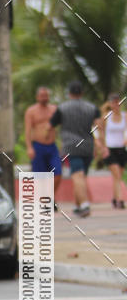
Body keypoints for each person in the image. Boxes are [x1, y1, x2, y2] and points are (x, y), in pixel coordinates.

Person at [48, 81, 105, 218]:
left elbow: (50, 126)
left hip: (71, 146)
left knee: (77, 175)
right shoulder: (92, 108)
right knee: (82, 176)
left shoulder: (62, 108)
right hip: (88, 145)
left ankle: (84, 205)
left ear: (69, 93)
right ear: (82, 93)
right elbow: (99, 126)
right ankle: (77, 205)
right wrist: (101, 145)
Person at [24, 87, 62, 207]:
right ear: (37, 97)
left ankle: (50, 196)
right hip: (38, 146)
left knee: (58, 172)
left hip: (52, 146)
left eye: (46, 95)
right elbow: (28, 131)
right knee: (41, 176)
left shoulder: (54, 109)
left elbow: (60, 126)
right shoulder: (31, 111)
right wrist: (29, 147)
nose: (44, 98)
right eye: (42, 96)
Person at [101, 94, 127, 208]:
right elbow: (100, 133)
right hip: (110, 149)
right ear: (110, 104)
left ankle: (114, 198)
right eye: (113, 103)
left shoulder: (124, 116)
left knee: (118, 176)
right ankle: (121, 200)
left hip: (121, 149)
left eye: (118, 102)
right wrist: (103, 147)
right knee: (116, 174)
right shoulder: (106, 117)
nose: (116, 105)